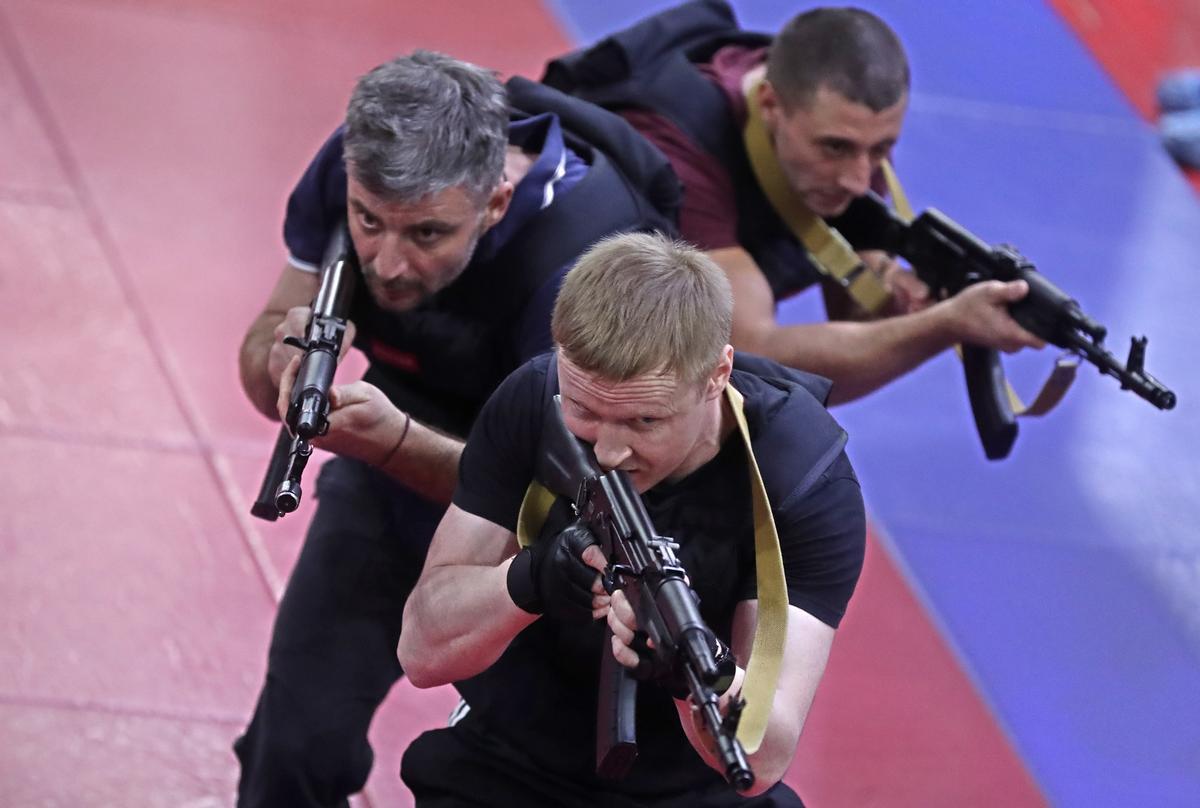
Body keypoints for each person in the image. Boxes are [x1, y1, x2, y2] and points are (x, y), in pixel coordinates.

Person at [233, 50, 676, 808]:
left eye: (428, 234)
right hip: (390, 456)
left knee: (521, 787)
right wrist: (281, 362)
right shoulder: (348, 166)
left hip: (560, 533)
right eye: (369, 223)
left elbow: (563, 505)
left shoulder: (595, 265)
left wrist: (398, 443)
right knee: (296, 746)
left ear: (498, 200)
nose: (389, 263)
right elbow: (260, 350)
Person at [396, 232, 866, 806]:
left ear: (717, 375)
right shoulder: (532, 401)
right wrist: (527, 581)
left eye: (645, 421)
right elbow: (422, 649)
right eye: (586, 412)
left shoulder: (799, 481)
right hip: (507, 760)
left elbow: (762, 759)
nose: (610, 452)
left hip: (693, 790)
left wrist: (696, 673)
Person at [543, 1, 1046, 404]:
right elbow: (745, 365)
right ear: (770, 107)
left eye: (882, 149)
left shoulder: (831, 119)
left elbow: (857, 300)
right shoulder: (678, 150)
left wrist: (896, 296)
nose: (857, 179)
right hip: (542, 344)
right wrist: (942, 325)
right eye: (836, 149)